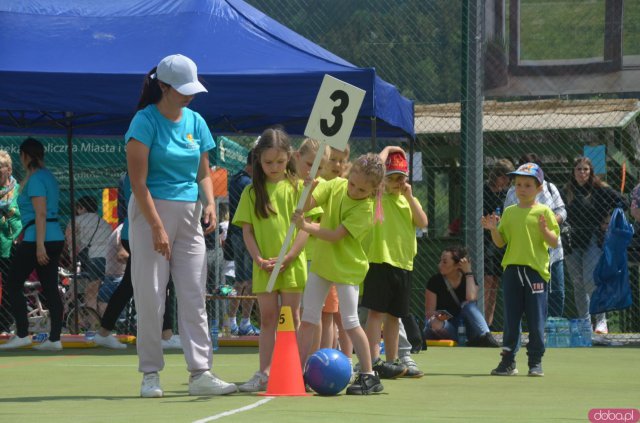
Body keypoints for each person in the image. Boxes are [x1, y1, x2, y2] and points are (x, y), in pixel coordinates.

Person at [125, 54, 237, 397]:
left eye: (192, 89)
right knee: (151, 296)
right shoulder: (143, 123)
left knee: (193, 294)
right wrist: (156, 227)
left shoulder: (197, 121)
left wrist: (209, 204)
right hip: (149, 212)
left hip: (189, 215)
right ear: (162, 86)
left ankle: (201, 373)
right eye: (182, 90)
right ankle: (150, 375)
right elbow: (138, 183)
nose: (189, 96)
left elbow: (203, 171)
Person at [294, 153, 387, 395]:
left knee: (351, 322)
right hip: (322, 265)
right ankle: (296, 371)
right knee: (308, 319)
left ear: (374, 189)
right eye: (353, 184)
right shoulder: (335, 185)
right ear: (349, 174)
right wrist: (307, 191)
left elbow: (335, 235)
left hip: (347, 269)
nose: (355, 190)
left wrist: (306, 226)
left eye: (362, 189)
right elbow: (305, 207)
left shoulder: (366, 208)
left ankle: (369, 375)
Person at [232, 128, 309, 392]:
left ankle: (296, 371)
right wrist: (259, 259)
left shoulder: (299, 188)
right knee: (266, 319)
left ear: (289, 157)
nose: (274, 167)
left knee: (291, 317)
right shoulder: (251, 193)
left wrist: (288, 257)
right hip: (264, 267)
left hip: (291, 265)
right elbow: (247, 231)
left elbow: (306, 229)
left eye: (279, 161)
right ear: (258, 161)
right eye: (267, 162)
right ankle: (264, 372)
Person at [482, 163, 559, 377]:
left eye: (527, 185)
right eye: (518, 184)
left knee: (536, 319)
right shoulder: (509, 212)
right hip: (512, 272)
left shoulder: (544, 212)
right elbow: (500, 242)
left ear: (539, 188)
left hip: (535, 273)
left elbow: (554, 242)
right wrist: (493, 229)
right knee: (511, 318)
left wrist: (544, 231)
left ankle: (535, 361)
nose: (522, 189)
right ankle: (508, 362)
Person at [93, 175, 183, 351]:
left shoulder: (132, 175)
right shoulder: (141, 174)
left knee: (129, 285)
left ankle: (104, 332)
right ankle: (166, 335)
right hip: (143, 234)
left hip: (136, 233)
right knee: (159, 282)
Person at [363, 148, 428, 379]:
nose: (397, 182)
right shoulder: (376, 196)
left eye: (401, 177)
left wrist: (410, 197)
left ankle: (392, 362)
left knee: (394, 316)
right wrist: (388, 150)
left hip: (403, 265)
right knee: (375, 314)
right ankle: (371, 361)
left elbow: (422, 222)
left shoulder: (409, 200)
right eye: (391, 177)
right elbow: (372, 171)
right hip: (379, 261)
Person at [0, 138, 65, 351]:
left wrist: (39, 246)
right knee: (50, 288)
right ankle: (55, 339)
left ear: (25, 156)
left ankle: (21, 334)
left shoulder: (36, 179)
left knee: (12, 284)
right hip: (52, 237)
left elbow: (41, 212)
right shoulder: (48, 177)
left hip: (39, 238)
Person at [563, 157, 625, 335]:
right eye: (578, 169)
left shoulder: (599, 189)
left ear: (591, 172)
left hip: (592, 239)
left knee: (592, 280)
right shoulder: (566, 190)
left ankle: (601, 321)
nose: (582, 173)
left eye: (585, 170)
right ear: (573, 172)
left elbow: (623, 201)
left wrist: (608, 220)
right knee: (578, 282)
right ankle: (584, 322)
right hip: (571, 240)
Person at [504, 153, 567, 318]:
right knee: (527, 296)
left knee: (557, 291)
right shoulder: (512, 192)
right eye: (523, 167)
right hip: (527, 254)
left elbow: (562, 211)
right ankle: (535, 328)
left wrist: (549, 223)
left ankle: (551, 328)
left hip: (553, 251)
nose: (523, 186)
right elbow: (508, 217)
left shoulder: (550, 188)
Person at [423, 246, 499, 348]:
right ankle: (464, 340)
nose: (440, 265)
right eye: (440, 261)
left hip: (466, 326)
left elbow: (471, 298)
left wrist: (468, 271)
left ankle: (486, 336)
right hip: (448, 327)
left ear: (457, 265)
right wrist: (444, 316)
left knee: (469, 306)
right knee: (434, 321)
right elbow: (429, 312)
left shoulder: (469, 279)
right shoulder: (435, 281)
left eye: (444, 262)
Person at [224, 150, 260, 336]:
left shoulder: (237, 179)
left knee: (241, 280)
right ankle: (241, 321)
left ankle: (234, 321)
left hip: (237, 234)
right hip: (246, 234)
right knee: (248, 280)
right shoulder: (248, 183)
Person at [65, 196, 113, 311]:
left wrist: (72, 258)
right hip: (110, 258)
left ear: (82, 207)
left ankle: (92, 322)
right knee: (103, 293)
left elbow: (70, 239)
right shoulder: (104, 222)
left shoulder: (77, 220)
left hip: (95, 257)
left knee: (91, 292)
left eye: (78, 208)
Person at [482, 159, 514, 328]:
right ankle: (480, 322)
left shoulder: (506, 193)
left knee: (495, 281)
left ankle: (489, 323)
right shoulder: (482, 190)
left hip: (499, 240)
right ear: (498, 175)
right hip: (484, 239)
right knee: (486, 279)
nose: (507, 183)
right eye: (505, 178)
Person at [0, 151, 21, 334]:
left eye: (0, 166)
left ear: (8, 169)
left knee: (10, 287)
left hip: (12, 245)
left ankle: (5, 325)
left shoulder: (19, 190)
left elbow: (23, 216)